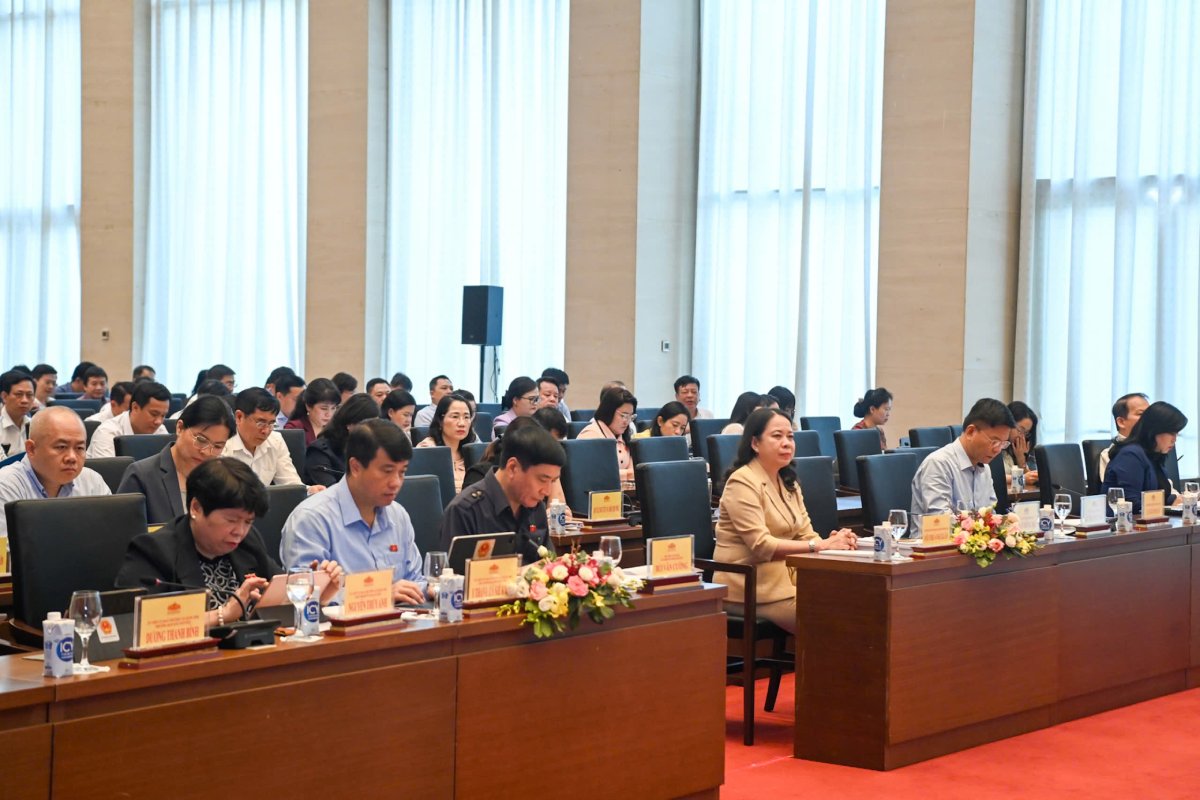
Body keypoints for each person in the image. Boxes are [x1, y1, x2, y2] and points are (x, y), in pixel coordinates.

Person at [115, 458, 343, 627]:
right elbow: (137, 625)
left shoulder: (248, 542)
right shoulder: (153, 551)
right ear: (196, 508)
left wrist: (316, 593)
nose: (240, 531)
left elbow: (276, 604)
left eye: (248, 521)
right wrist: (223, 614)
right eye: (232, 520)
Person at [713, 408, 857, 632]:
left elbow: (806, 533)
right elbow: (761, 546)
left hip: (790, 582)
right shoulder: (741, 482)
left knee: (861, 605)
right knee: (838, 619)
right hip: (753, 589)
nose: (787, 443)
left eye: (790, 436)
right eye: (777, 436)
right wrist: (819, 546)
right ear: (755, 443)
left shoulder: (788, 481)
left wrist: (835, 543)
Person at [280, 419, 427, 604]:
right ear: (356, 467)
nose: (396, 482)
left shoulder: (398, 515)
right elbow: (305, 599)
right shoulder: (311, 519)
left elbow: (415, 581)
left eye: (402, 472)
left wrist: (436, 587)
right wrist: (381, 596)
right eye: (387, 471)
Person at [438, 421, 565, 565]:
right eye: (543, 479)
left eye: (553, 481)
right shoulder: (465, 511)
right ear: (512, 468)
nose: (547, 491)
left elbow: (548, 566)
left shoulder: (536, 507)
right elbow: (453, 582)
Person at [117, 396, 236, 524]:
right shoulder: (141, 476)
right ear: (180, 428)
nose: (206, 452)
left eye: (218, 446)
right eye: (201, 440)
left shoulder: (223, 478)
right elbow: (125, 535)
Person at [0, 406, 111, 535]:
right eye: (61, 447)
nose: (72, 457)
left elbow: (111, 536)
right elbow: (6, 552)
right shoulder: (5, 486)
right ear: (31, 449)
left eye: (80, 448)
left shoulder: (92, 482)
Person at [910, 398, 1016, 518]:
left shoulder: (985, 468)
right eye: (994, 441)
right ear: (971, 432)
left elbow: (989, 516)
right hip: (932, 537)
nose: (997, 450)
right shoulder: (938, 464)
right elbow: (940, 520)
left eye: (1003, 444)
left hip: (972, 537)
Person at [1102, 401, 1187, 515]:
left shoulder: (1153, 455)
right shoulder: (1131, 455)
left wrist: (1179, 500)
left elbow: (1160, 496)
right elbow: (1131, 504)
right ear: (1155, 430)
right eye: (1171, 433)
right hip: (1121, 527)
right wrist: (1168, 506)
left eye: (1177, 434)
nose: (1174, 439)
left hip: (1148, 525)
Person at [224, 388, 315, 491]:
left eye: (271, 423)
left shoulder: (275, 441)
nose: (266, 431)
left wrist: (310, 491)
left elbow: (291, 484)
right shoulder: (222, 445)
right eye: (260, 423)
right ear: (239, 417)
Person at [304, 394, 382, 487]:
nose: (372, 430)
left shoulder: (374, 448)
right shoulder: (319, 451)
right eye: (368, 425)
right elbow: (331, 490)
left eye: (375, 424)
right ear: (349, 424)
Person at [86, 381, 172, 458]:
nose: (158, 422)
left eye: (163, 415)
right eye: (154, 414)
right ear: (135, 407)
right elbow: (109, 473)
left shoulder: (160, 430)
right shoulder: (107, 432)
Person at [415, 392, 477, 492]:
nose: (462, 423)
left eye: (466, 417)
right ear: (440, 420)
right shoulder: (427, 449)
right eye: (455, 416)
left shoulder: (471, 451)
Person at [577, 386, 637, 482]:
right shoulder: (590, 435)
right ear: (609, 411)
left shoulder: (624, 435)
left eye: (630, 417)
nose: (627, 422)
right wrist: (626, 474)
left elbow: (633, 472)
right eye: (623, 416)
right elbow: (594, 474)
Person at [1099, 392, 1151, 480]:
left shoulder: (1153, 449)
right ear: (1121, 422)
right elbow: (1117, 491)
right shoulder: (1110, 455)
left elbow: (1166, 486)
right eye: (1141, 414)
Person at [284, 377, 339, 445]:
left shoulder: (337, 429)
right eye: (324, 408)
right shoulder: (294, 428)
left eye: (333, 408)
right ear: (308, 406)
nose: (329, 414)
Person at [1003, 401, 1039, 485]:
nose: (1022, 436)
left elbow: (1033, 478)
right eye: (1020, 430)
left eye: (1026, 433)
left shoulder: (1025, 447)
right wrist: (1021, 478)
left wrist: (1022, 460)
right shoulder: (995, 445)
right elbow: (992, 476)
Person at [0, 370, 35, 456]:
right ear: (4, 396)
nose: (25, 400)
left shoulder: (36, 425)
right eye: (19, 394)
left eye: (29, 395)